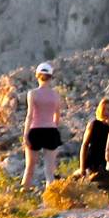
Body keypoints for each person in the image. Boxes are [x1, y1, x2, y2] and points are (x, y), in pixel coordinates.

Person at [22, 62, 63, 190]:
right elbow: (57, 116)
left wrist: (25, 134)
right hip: (51, 131)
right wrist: (53, 127)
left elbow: (29, 115)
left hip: (35, 131)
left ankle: (22, 194)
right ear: (51, 76)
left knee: (30, 167)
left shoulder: (32, 93)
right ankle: (50, 198)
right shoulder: (56, 95)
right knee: (49, 170)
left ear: (37, 76)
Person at [75, 99, 109, 191]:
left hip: (106, 163)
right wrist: (82, 167)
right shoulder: (94, 124)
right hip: (92, 162)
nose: (106, 112)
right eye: (104, 109)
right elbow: (85, 145)